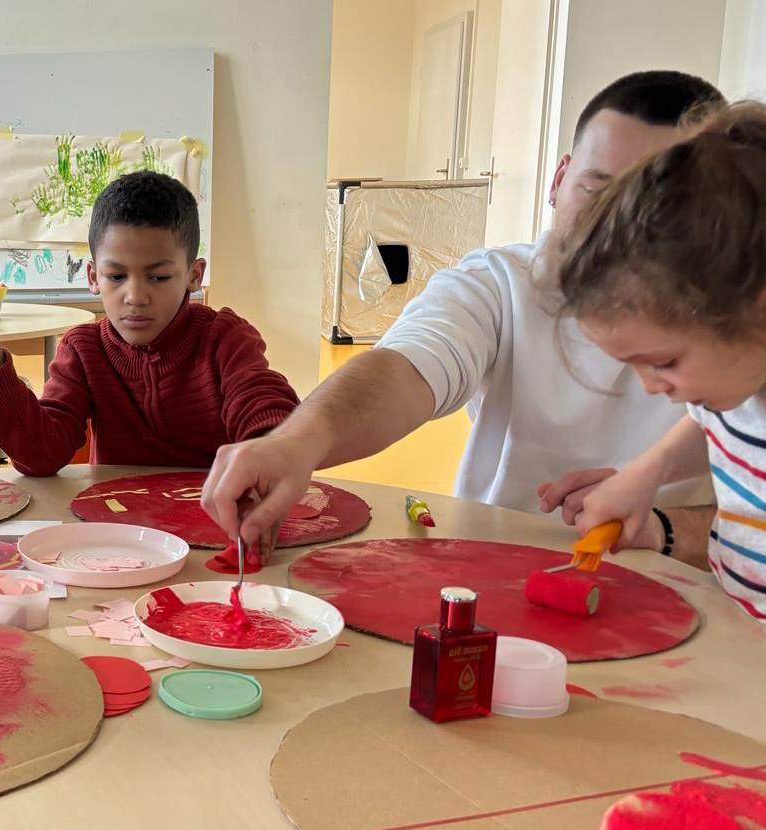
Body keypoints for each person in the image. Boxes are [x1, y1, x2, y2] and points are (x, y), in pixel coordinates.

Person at [198, 71, 724, 563]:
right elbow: (405, 368)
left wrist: (661, 529)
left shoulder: (741, 328)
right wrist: (297, 443)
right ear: (559, 179)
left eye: (660, 208)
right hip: (496, 572)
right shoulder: (500, 284)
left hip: (685, 592)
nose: (620, 230)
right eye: (597, 189)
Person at [550, 102, 766, 620]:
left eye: (664, 361)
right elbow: (713, 422)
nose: (651, 386)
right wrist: (648, 470)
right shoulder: (737, 379)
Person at [0, 171, 299, 476]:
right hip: (117, 536)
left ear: (194, 274)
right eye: (116, 276)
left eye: (158, 278)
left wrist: (271, 447)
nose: (135, 296)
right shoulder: (83, 349)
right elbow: (41, 457)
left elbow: (261, 403)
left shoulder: (224, 338)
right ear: (92, 276)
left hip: (211, 526)